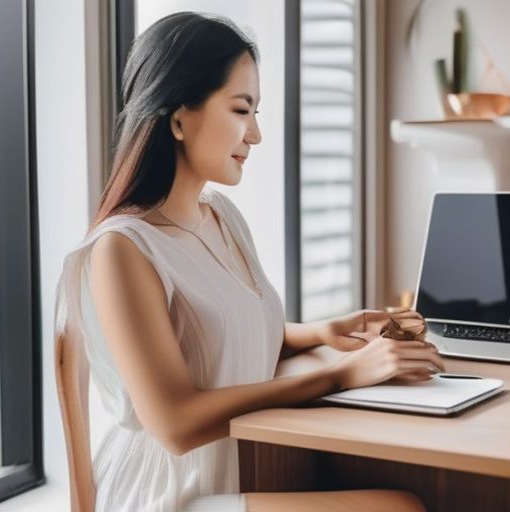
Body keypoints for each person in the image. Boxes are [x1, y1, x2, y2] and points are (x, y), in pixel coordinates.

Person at [55, 11, 443, 512]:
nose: (256, 134)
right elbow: (174, 424)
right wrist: (341, 374)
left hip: (242, 466)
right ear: (177, 117)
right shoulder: (123, 250)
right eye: (242, 110)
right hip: (170, 493)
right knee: (399, 508)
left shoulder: (219, 216)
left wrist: (322, 332)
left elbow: (218, 339)